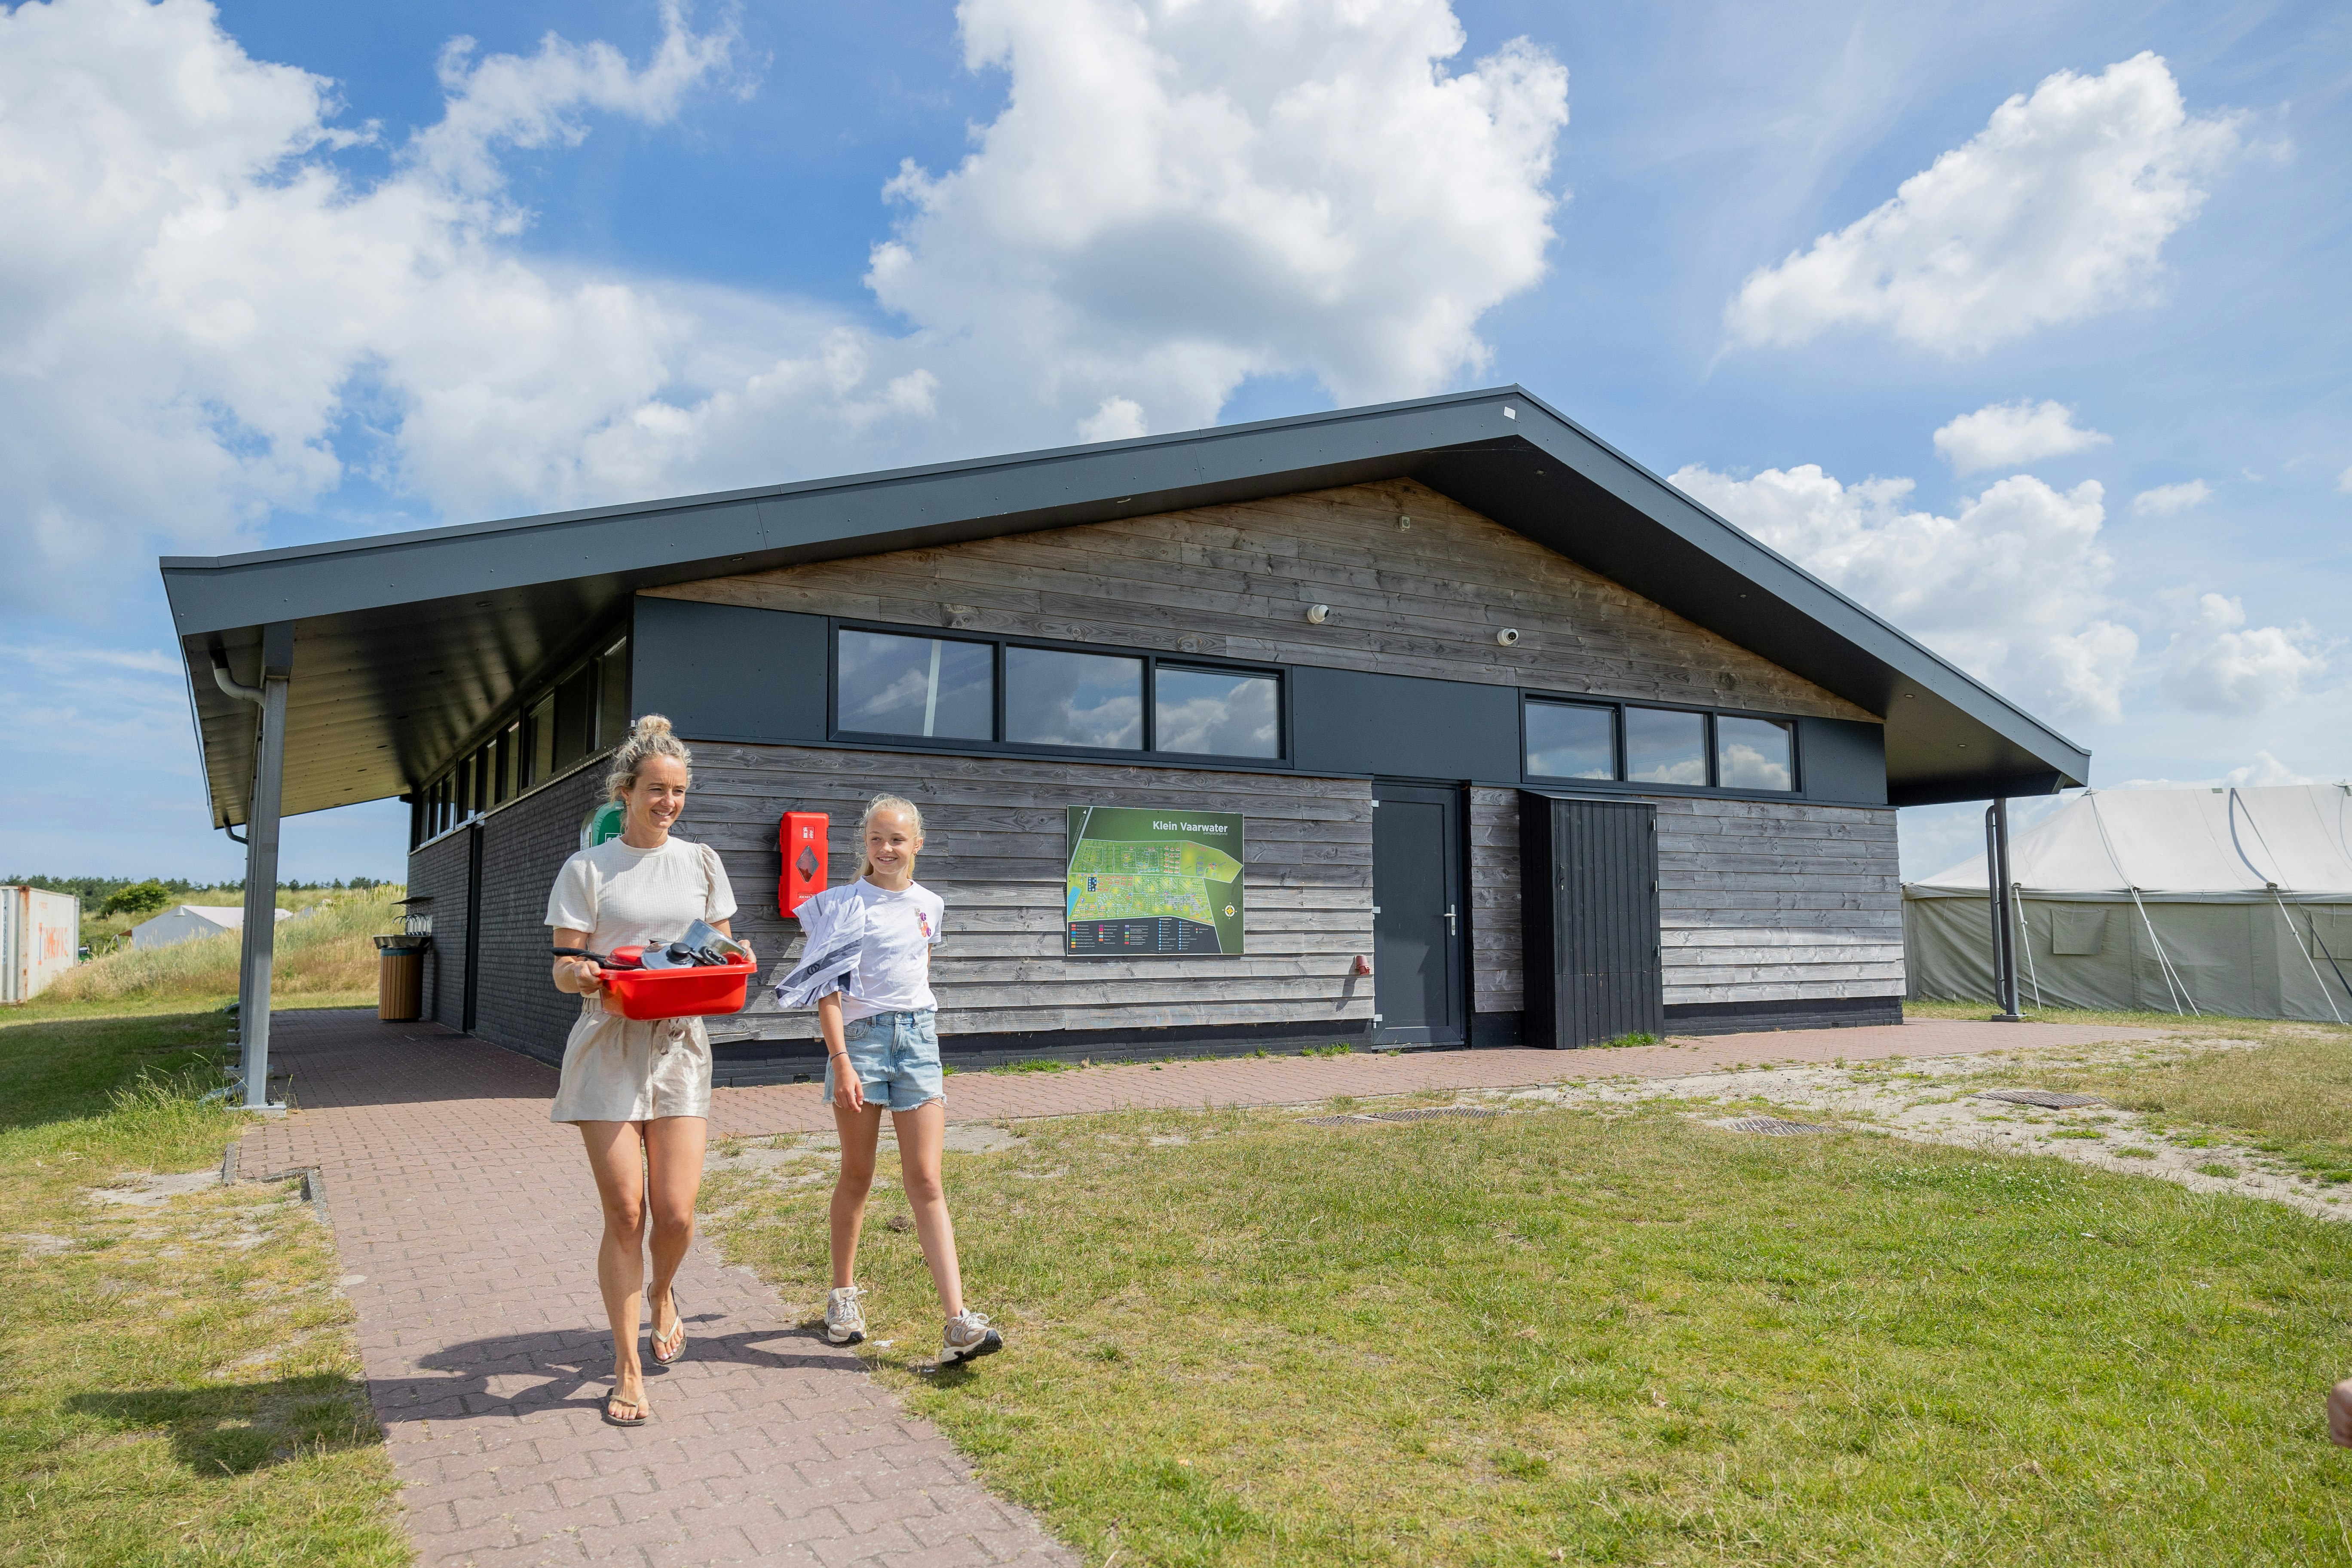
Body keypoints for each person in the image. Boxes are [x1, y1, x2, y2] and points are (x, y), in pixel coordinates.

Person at [545, 714, 744, 1427]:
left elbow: (718, 949)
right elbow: (565, 965)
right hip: (608, 1044)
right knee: (626, 1210)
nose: (669, 803)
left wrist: (732, 953)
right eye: (657, 790)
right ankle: (627, 1367)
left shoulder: (701, 862)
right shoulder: (588, 869)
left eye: (680, 792)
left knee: (678, 1211)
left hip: (681, 1043)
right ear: (624, 793)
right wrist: (586, 974)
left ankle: (665, 1293)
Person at [777, 793, 1002, 1366]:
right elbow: (826, 992)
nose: (886, 849)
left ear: (917, 844)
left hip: (919, 1040)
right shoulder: (842, 905)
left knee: (926, 1180)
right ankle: (843, 1300)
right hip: (862, 1044)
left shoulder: (932, 905)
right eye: (876, 839)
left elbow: (917, 972)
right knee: (858, 1173)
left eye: (897, 839)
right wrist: (841, 1059)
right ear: (865, 845)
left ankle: (957, 1322)